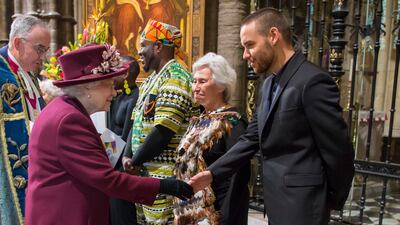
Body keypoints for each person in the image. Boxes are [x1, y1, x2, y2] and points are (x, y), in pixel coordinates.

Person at [190, 8, 355, 225]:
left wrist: (330, 198)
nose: (245, 55)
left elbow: (338, 151)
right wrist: (211, 173)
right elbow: (250, 139)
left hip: (304, 206)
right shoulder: (267, 85)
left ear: (273, 36)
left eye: (249, 45)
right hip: (276, 203)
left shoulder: (312, 81)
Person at [25, 44, 194, 225]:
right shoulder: (69, 119)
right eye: (109, 85)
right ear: (89, 87)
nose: (115, 92)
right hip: (64, 215)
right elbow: (106, 179)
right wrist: (164, 186)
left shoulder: (66, 109)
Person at [122, 19, 199, 224]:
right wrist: (127, 156)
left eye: (143, 46)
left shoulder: (176, 76)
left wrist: (134, 161)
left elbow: (164, 131)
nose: (139, 52)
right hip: (146, 177)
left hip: (166, 178)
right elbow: (135, 123)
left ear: (158, 47)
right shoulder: (149, 81)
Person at [174, 52, 250, 225]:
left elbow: (238, 173)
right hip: (189, 209)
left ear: (221, 86)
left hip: (216, 212)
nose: (195, 87)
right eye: (194, 81)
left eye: (202, 81)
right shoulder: (199, 119)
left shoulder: (232, 121)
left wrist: (226, 217)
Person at [0, 15, 49, 224]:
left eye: (45, 51)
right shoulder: (3, 75)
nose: (43, 58)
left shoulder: (27, 74)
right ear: (18, 43)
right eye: (40, 49)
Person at [108, 56, 140, 225]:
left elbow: (129, 134)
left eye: (116, 70)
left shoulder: (135, 97)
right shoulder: (117, 96)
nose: (112, 74)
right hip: (111, 159)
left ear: (126, 73)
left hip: (121, 164)